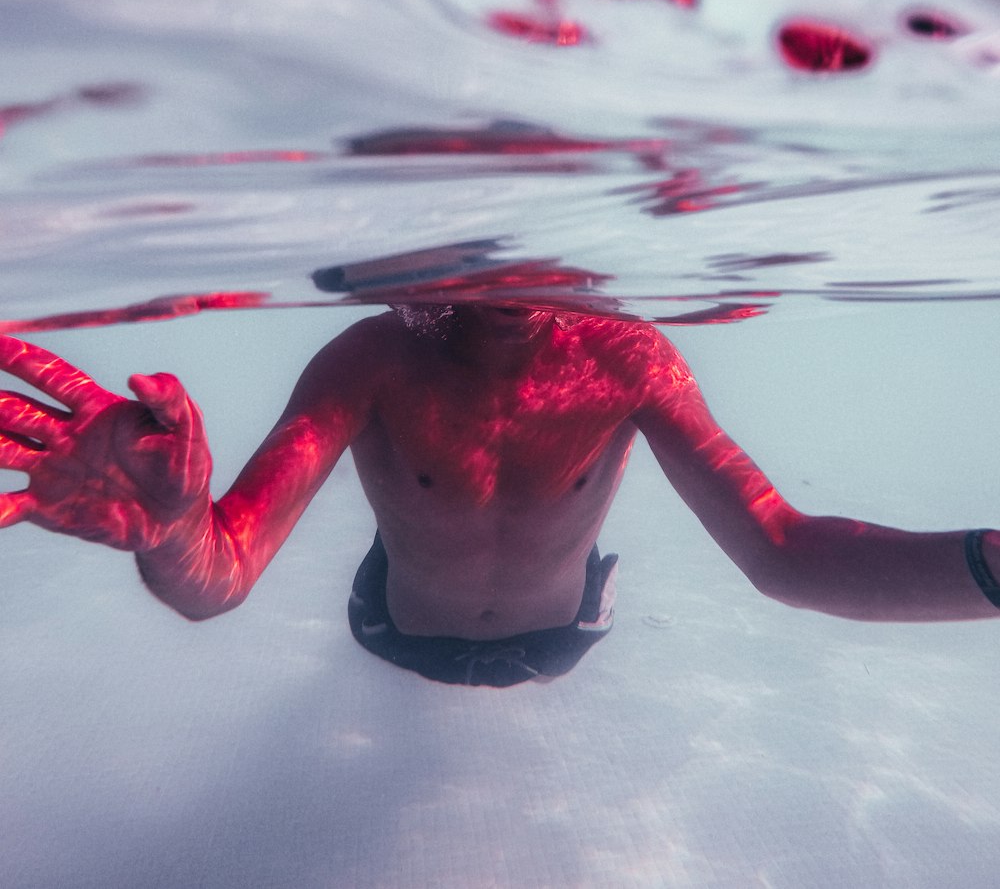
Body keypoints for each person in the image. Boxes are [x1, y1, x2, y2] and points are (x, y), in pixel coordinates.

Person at [0, 306, 998, 688]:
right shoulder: (368, 363)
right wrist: (174, 532)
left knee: (579, 580)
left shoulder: (626, 357)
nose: (503, 279)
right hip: (391, 629)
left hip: (560, 630)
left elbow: (782, 548)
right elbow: (218, 577)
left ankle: (592, 578)